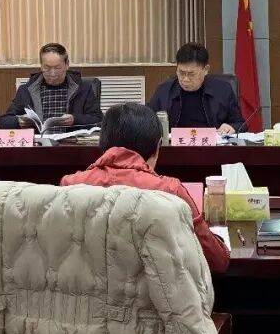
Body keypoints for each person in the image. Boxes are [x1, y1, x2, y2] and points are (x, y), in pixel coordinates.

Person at [61, 102, 230, 273]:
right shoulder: (170, 191)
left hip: (86, 289)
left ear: (102, 143)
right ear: (157, 147)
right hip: (153, 290)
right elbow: (217, 260)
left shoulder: (70, 186)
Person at [0, 43, 103, 132]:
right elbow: (4, 121)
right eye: (47, 68)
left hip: (70, 144)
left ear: (67, 65)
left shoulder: (84, 88)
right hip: (39, 144)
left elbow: (99, 120)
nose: (52, 73)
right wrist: (19, 121)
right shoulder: (26, 90)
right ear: (41, 66)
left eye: (57, 68)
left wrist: (75, 120)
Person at [148, 42, 244, 134]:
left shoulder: (223, 90)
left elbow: (240, 123)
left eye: (191, 74)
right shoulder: (164, 90)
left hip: (212, 144)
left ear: (206, 70)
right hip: (175, 144)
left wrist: (231, 127)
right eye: (181, 73)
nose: (185, 79)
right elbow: (147, 121)